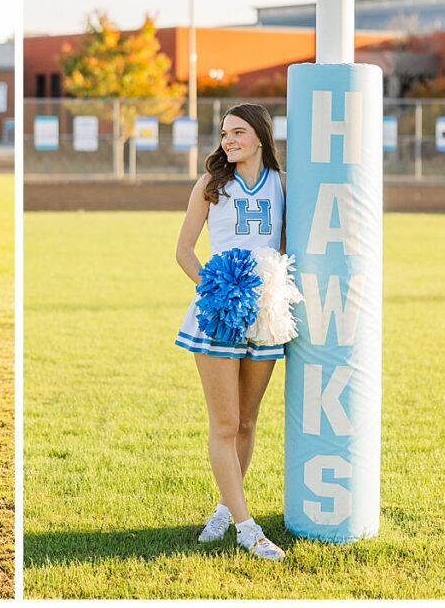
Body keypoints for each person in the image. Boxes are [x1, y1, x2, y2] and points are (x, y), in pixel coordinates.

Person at [174, 103, 288, 561]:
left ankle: (224, 508)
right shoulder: (210, 185)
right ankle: (246, 528)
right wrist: (215, 289)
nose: (229, 140)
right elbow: (183, 249)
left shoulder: (283, 185)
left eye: (238, 132)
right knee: (223, 424)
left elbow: (285, 250)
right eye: (224, 134)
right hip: (218, 314)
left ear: (260, 136)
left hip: (264, 317)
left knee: (246, 422)